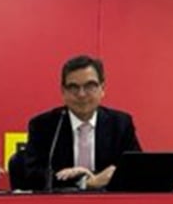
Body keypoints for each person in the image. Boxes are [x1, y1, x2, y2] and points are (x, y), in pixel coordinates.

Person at [11, 54, 141, 191]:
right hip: (60, 203)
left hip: (109, 202)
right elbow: (32, 177)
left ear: (102, 89)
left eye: (90, 86)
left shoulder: (120, 124)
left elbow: (136, 171)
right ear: (63, 92)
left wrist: (97, 179)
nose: (81, 94)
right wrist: (83, 182)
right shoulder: (43, 126)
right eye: (73, 87)